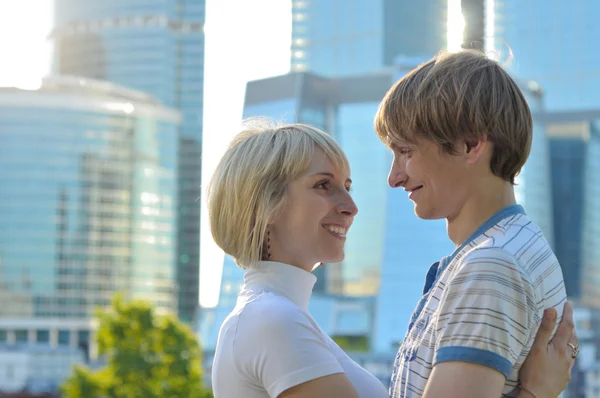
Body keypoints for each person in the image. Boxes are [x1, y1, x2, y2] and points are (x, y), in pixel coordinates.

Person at [209, 120, 576, 398]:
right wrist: (535, 392)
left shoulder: (277, 318)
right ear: (265, 206)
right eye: (323, 185)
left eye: (347, 187)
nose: (350, 207)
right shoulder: (273, 321)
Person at [374, 49, 576, 398]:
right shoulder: (517, 245)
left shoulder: (489, 268)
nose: (394, 178)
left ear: (470, 145)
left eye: (406, 152)